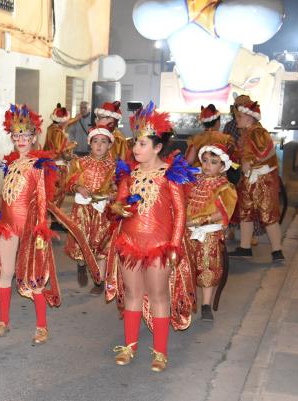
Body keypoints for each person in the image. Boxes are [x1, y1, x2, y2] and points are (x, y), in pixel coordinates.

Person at [0, 104, 99, 344]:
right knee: (6, 273)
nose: (20, 139)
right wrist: (0, 219)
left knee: (36, 276)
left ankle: (41, 325)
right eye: (16, 135)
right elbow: (7, 196)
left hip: (31, 227)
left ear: (34, 136)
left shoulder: (38, 164)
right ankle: (3, 320)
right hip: (8, 225)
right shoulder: (10, 163)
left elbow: (41, 198)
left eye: (25, 135)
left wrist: (41, 228)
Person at [105, 101, 196, 372]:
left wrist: (174, 245)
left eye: (142, 144)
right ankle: (129, 346)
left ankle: (160, 352)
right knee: (132, 294)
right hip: (130, 243)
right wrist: (117, 207)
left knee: (158, 297)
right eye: (135, 143)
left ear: (158, 147)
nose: (135, 149)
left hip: (160, 246)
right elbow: (118, 206)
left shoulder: (171, 175)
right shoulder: (128, 174)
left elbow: (180, 213)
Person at [228, 98, 285, 263]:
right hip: (250, 179)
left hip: (263, 180)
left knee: (267, 213)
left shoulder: (257, 132)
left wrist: (250, 163)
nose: (236, 119)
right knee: (246, 212)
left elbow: (267, 152)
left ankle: (277, 251)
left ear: (248, 117)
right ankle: (245, 247)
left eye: (238, 116)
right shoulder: (247, 133)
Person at [184, 144, 237, 321]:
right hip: (187, 230)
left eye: (213, 162)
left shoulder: (225, 187)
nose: (207, 165)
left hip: (209, 233)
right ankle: (185, 298)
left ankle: (206, 304)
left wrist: (197, 221)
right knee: (186, 265)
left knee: (207, 267)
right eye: (205, 160)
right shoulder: (194, 180)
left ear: (222, 166)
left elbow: (222, 213)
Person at [64, 125, 115, 293]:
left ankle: (98, 281)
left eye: (103, 141)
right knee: (82, 241)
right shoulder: (81, 162)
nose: (99, 145)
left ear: (109, 145)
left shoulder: (113, 166)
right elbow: (69, 182)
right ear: (89, 143)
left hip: (103, 211)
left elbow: (118, 186)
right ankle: (81, 264)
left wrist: (114, 194)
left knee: (101, 243)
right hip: (82, 209)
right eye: (95, 141)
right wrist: (79, 188)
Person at [43, 103, 77, 230]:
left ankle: (52, 218)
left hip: (51, 165)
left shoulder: (51, 128)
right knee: (58, 194)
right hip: (58, 167)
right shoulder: (58, 132)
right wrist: (72, 145)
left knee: (54, 194)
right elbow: (59, 150)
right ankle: (51, 220)